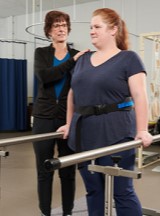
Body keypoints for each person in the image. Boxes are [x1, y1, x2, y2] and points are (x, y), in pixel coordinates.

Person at [57, 8, 153, 216]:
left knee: (122, 191)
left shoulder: (129, 58)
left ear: (113, 30)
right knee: (93, 191)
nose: (91, 31)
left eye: (97, 27)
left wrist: (142, 129)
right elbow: (73, 93)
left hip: (116, 133)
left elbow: (140, 95)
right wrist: (68, 123)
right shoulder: (82, 59)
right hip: (83, 135)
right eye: (91, 27)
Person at [32, 10, 88, 216]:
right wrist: (72, 62)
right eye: (56, 25)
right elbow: (45, 76)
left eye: (64, 24)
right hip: (43, 118)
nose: (61, 28)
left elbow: (81, 86)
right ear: (49, 31)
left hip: (68, 118)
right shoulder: (41, 53)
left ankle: (68, 212)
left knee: (68, 171)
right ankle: (45, 212)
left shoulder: (77, 55)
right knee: (44, 170)